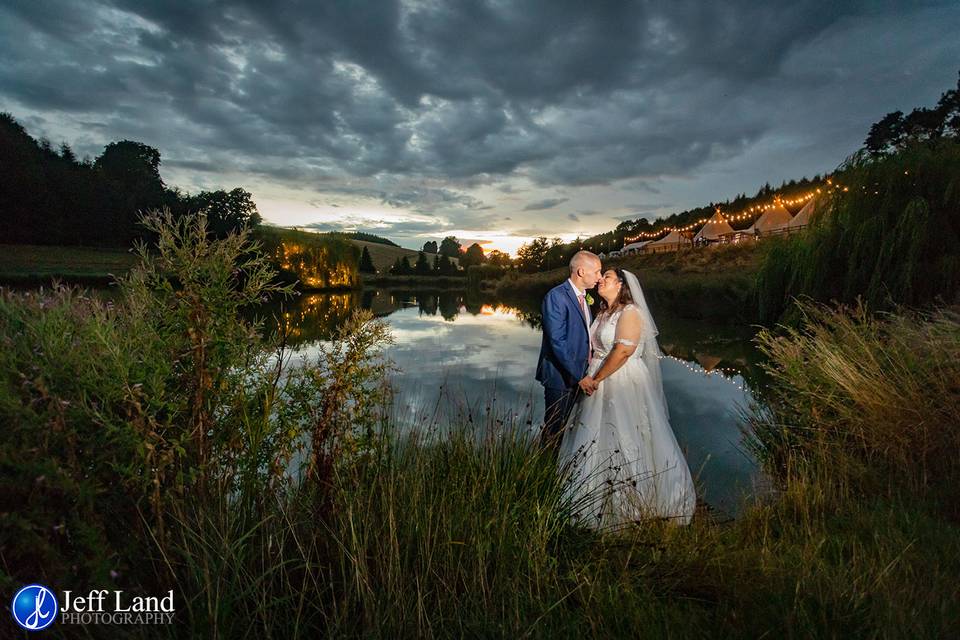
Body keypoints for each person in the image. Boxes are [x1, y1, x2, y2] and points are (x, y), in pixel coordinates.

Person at [556, 268, 696, 529]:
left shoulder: (630, 313)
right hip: (597, 377)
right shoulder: (603, 312)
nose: (600, 279)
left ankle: (637, 501)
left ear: (621, 285)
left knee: (627, 432)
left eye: (606, 277)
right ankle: (592, 497)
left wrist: (597, 379)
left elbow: (622, 351)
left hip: (621, 379)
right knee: (596, 435)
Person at [535, 250, 603, 449]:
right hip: (560, 377)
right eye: (597, 272)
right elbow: (557, 341)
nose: (599, 277)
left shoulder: (584, 298)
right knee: (554, 431)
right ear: (581, 271)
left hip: (581, 375)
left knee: (571, 431)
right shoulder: (556, 297)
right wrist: (580, 376)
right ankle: (543, 474)